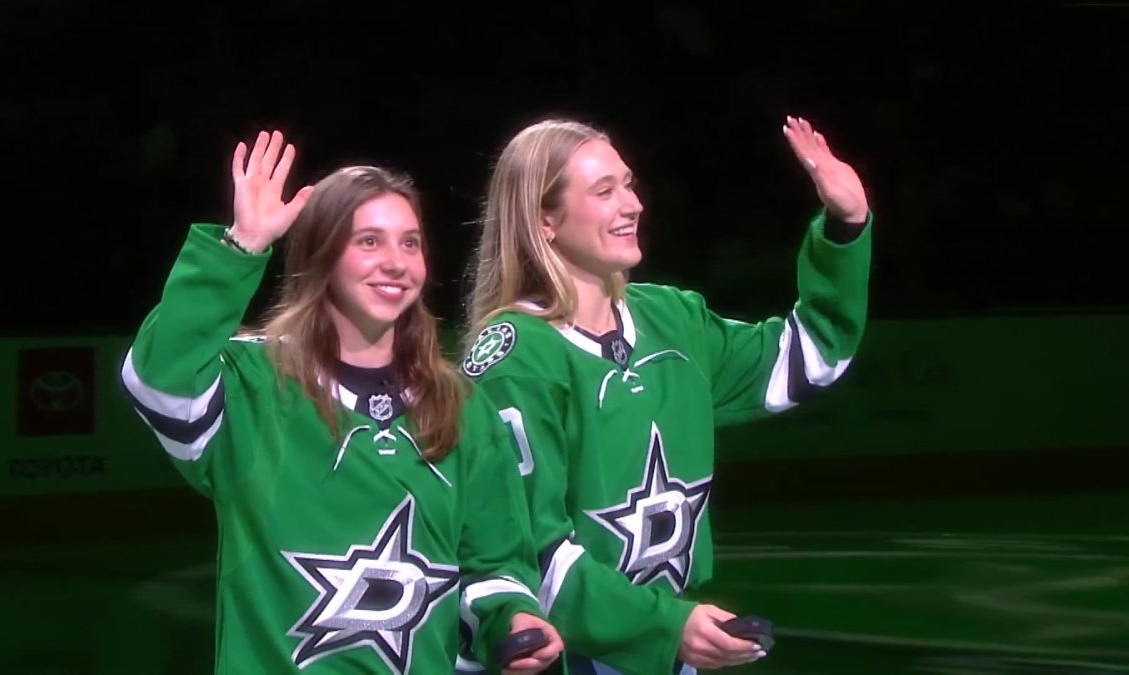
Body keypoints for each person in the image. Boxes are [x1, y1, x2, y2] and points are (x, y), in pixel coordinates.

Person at [119, 129, 564, 675]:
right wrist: (241, 247)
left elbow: (494, 565)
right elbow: (156, 379)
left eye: (410, 242)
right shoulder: (256, 386)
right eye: (369, 242)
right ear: (323, 258)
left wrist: (513, 619)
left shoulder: (462, 406)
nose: (397, 262)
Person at [458, 116, 872, 674]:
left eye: (627, 184)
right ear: (543, 220)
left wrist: (846, 227)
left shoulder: (672, 319)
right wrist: (666, 627)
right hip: (565, 658)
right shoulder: (516, 357)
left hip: (662, 650)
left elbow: (809, 359)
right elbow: (526, 558)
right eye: (604, 191)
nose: (632, 205)